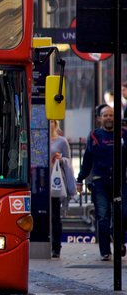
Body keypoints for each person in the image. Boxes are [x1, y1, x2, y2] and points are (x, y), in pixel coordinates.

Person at [76, 104, 127, 261]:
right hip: (100, 182)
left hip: (121, 182)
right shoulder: (94, 136)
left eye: (111, 115)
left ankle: (117, 238)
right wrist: (80, 179)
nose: (109, 118)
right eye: (105, 115)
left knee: (123, 214)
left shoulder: (124, 134)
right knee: (103, 217)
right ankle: (105, 251)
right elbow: (87, 160)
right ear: (100, 119)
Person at [49, 120, 75, 258]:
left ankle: (56, 247)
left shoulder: (61, 141)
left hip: (55, 182)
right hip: (39, 182)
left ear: (55, 123)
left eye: (52, 122)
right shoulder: (37, 138)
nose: (49, 124)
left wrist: (60, 159)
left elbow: (68, 162)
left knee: (55, 215)